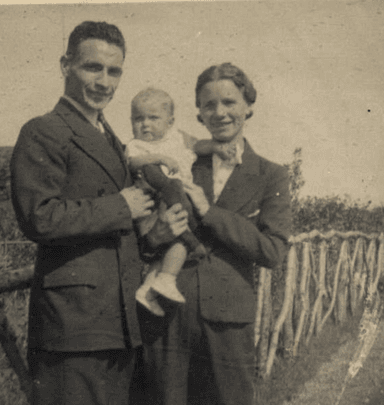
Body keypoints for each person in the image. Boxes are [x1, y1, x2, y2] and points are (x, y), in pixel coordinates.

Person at [10, 21, 187, 405]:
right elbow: (38, 217)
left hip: (121, 324)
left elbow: (122, 235)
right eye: (93, 68)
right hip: (71, 328)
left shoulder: (114, 141)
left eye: (114, 71)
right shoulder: (43, 131)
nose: (104, 82)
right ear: (65, 66)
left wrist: (155, 235)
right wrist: (119, 206)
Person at [140, 63, 291, 405]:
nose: (219, 113)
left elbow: (273, 252)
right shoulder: (178, 165)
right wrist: (154, 238)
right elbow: (140, 239)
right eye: (209, 105)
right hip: (167, 319)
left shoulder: (271, 175)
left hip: (228, 325)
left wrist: (210, 214)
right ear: (198, 114)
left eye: (229, 102)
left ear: (248, 106)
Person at [126, 87, 229, 316]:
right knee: (184, 235)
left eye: (153, 118)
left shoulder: (179, 139)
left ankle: (151, 286)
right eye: (138, 119)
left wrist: (215, 146)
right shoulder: (137, 145)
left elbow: (197, 145)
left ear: (170, 121)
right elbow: (133, 163)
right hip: (156, 203)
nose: (145, 125)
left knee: (171, 246)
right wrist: (158, 157)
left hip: (175, 201)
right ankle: (168, 275)